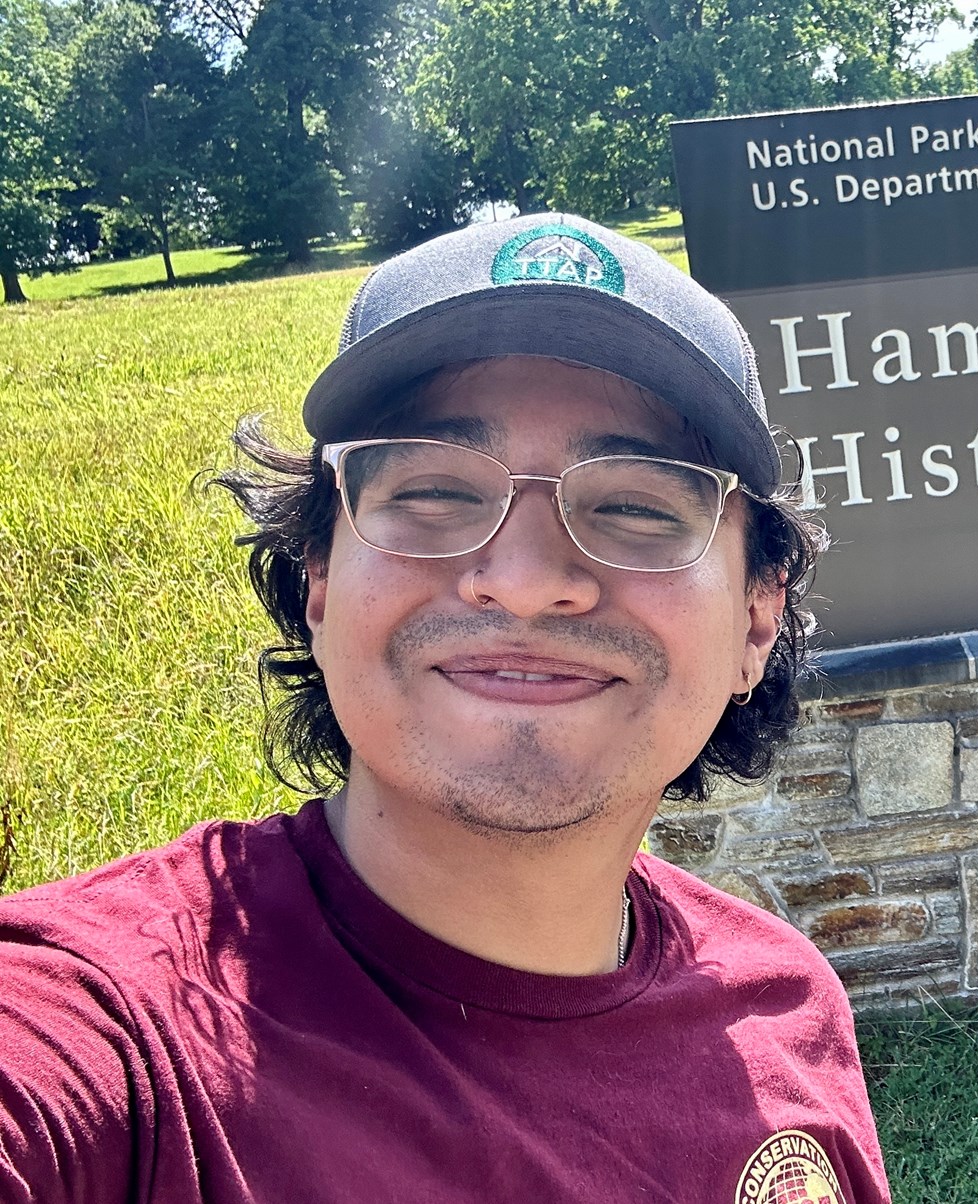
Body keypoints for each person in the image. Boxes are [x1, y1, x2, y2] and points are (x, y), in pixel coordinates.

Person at [0, 214, 891, 1204]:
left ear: (756, 618)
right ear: (320, 576)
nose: (522, 580)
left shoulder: (786, 1013)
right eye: (432, 491)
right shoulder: (116, 1033)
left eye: (638, 505)